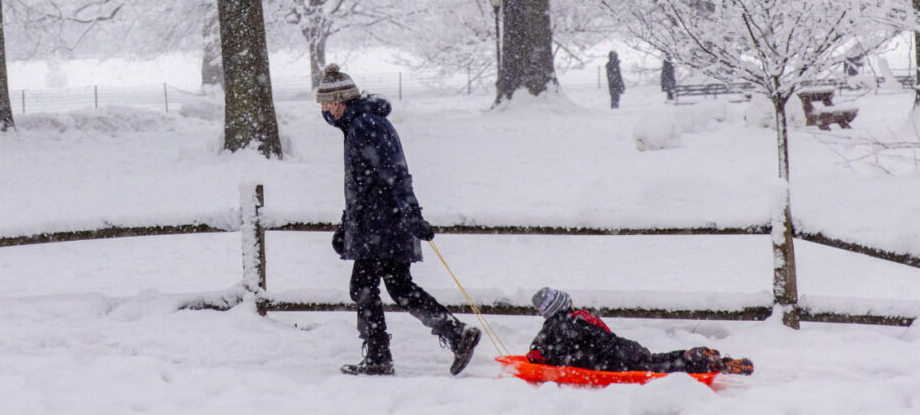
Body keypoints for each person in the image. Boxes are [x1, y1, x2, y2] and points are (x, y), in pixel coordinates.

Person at [317, 64, 480, 377]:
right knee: (399, 287)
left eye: (326, 104)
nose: (324, 111)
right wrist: (345, 225)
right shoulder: (360, 125)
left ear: (339, 102)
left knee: (364, 287)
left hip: (381, 224)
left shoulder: (366, 125)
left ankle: (380, 357)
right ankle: (456, 335)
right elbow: (362, 182)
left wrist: (411, 213)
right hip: (378, 222)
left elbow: (395, 172)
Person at [526, 287, 752, 375]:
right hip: (616, 356)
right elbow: (605, 338)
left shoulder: (550, 330)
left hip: (603, 360)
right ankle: (695, 358)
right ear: (565, 305)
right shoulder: (578, 320)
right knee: (655, 363)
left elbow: (535, 353)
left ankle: (698, 361)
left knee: (656, 366)